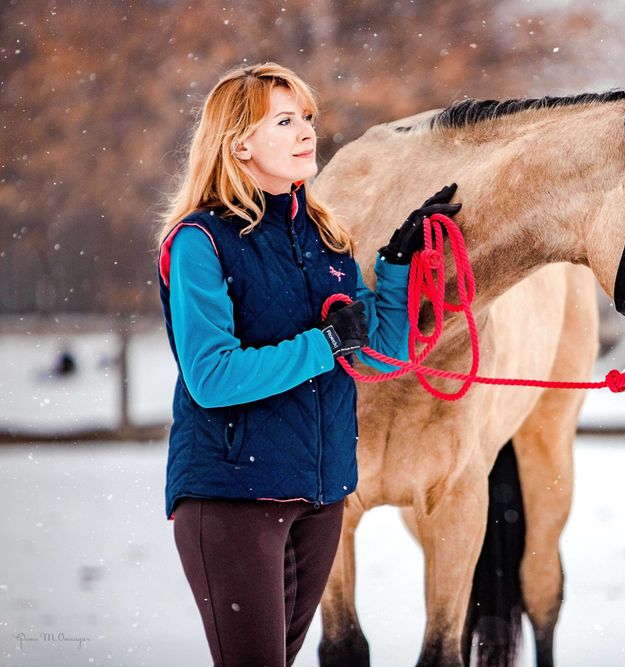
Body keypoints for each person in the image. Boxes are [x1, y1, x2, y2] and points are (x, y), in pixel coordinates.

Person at [153, 62, 461, 666]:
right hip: (232, 497)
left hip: (320, 499)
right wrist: (323, 344)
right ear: (239, 144)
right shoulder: (200, 241)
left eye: (307, 118)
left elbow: (380, 353)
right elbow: (212, 377)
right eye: (285, 121)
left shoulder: (326, 239)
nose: (306, 132)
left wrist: (398, 268)